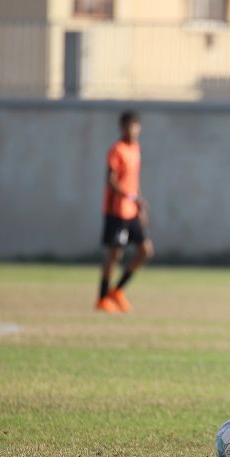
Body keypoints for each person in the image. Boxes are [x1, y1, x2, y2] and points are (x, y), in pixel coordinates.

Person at [96, 110, 154, 313]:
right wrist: (131, 197)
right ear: (121, 128)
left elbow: (133, 180)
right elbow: (111, 181)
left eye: (135, 126)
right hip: (116, 210)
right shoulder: (117, 149)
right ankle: (102, 298)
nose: (132, 130)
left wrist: (138, 203)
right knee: (114, 254)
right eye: (128, 126)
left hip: (131, 211)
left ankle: (117, 290)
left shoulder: (136, 149)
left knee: (145, 251)